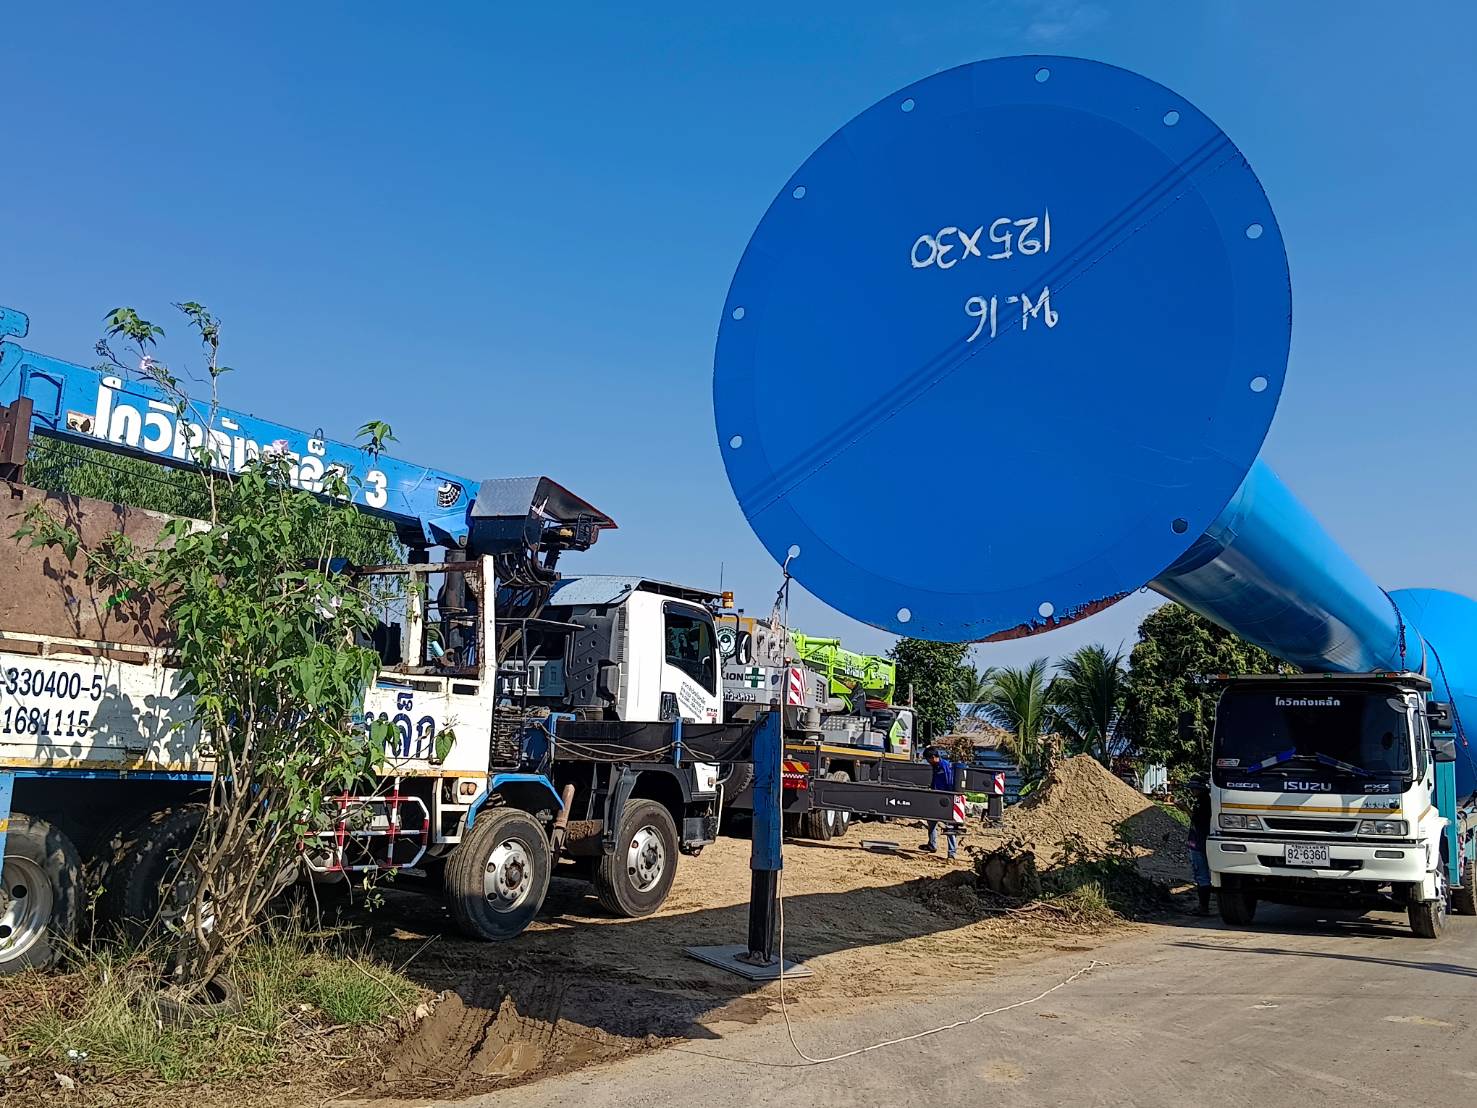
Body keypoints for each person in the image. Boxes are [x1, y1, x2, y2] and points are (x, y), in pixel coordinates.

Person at [919, 746, 959, 859]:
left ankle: (952, 852)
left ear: (933, 757)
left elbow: (949, 783)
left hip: (945, 799)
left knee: (949, 826)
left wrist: (949, 800)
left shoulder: (945, 766)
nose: (928, 762)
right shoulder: (935, 767)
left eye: (928, 759)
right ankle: (932, 844)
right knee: (931, 821)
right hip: (936, 797)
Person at [1186, 777, 1213, 915]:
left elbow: (1197, 819)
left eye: (1193, 788)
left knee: (1201, 875)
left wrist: (1184, 808)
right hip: (1201, 841)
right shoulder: (1208, 801)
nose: (1192, 791)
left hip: (1199, 842)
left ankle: (1203, 907)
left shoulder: (1203, 803)